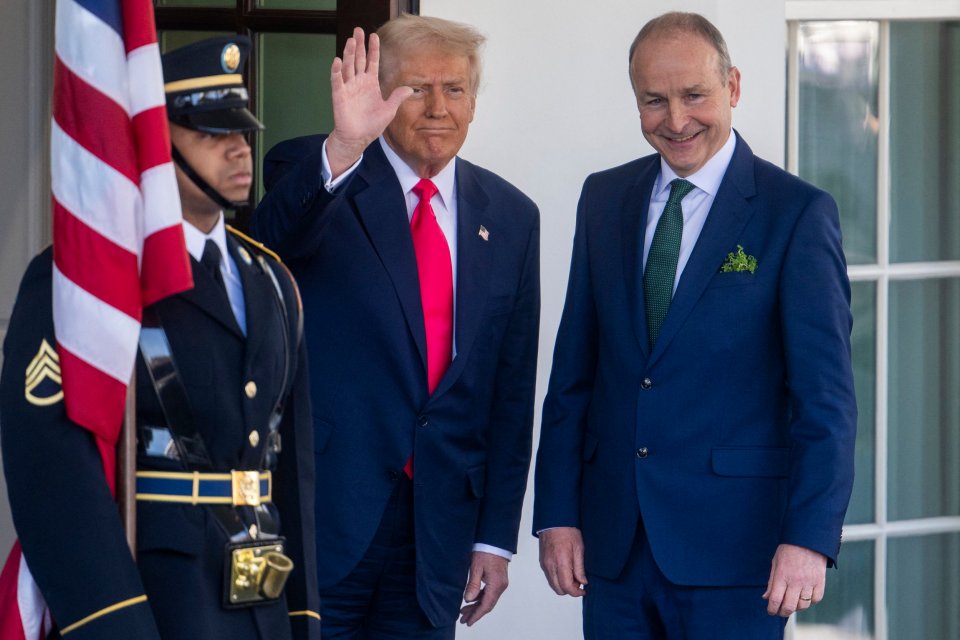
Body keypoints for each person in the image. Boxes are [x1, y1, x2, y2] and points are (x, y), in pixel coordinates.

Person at [533, 11, 857, 639]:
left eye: (694, 96)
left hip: (741, 557)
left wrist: (809, 539)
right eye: (654, 100)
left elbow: (826, 401)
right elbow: (573, 375)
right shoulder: (603, 199)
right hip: (615, 550)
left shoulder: (797, 215)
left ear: (732, 86)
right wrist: (558, 514)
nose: (676, 121)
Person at [0, 36, 319, 639]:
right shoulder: (86, 279)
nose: (239, 150)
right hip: (157, 603)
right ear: (152, 146)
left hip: (262, 602)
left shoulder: (272, 280)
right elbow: (51, 470)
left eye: (243, 132)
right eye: (211, 134)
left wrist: (303, 617)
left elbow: (293, 473)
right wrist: (112, 623)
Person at [251, 14, 540, 639]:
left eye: (455, 89)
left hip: (438, 533)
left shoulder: (513, 216)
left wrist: (496, 537)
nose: (438, 107)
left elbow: (510, 393)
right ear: (382, 95)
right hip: (326, 514)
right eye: (416, 88)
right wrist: (345, 148)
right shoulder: (320, 169)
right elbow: (263, 248)